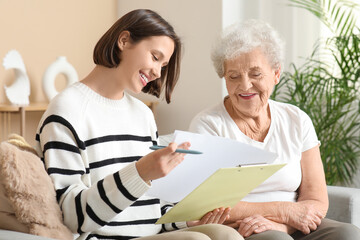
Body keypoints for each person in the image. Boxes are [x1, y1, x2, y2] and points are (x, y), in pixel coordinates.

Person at [35, 9, 243, 240]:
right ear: (124, 41)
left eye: (163, 65)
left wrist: (186, 219)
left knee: (226, 235)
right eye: (155, 57)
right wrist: (140, 173)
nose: (157, 73)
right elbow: (72, 215)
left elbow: (151, 207)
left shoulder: (142, 115)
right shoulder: (67, 110)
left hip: (151, 234)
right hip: (102, 237)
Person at [189, 19, 360, 240]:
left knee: (348, 233)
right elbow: (206, 203)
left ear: (276, 73)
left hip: (293, 225)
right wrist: (282, 211)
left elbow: (316, 198)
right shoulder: (207, 125)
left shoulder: (297, 119)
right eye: (233, 76)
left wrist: (283, 225)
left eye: (255, 74)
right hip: (239, 229)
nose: (245, 85)